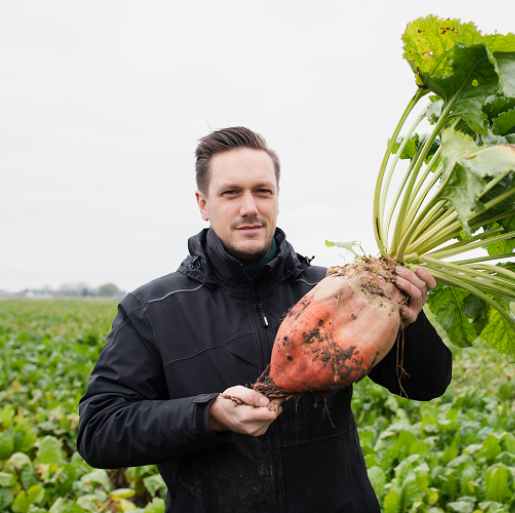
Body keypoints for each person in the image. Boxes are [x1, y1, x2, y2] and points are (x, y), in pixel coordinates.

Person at [77, 127, 453, 513]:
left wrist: (409, 321)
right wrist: (209, 415)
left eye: (262, 191)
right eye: (230, 193)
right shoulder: (153, 308)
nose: (249, 208)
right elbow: (99, 431)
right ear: (203, 204)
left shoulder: (335, 287)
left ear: (276, 199)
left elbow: (427, 385)